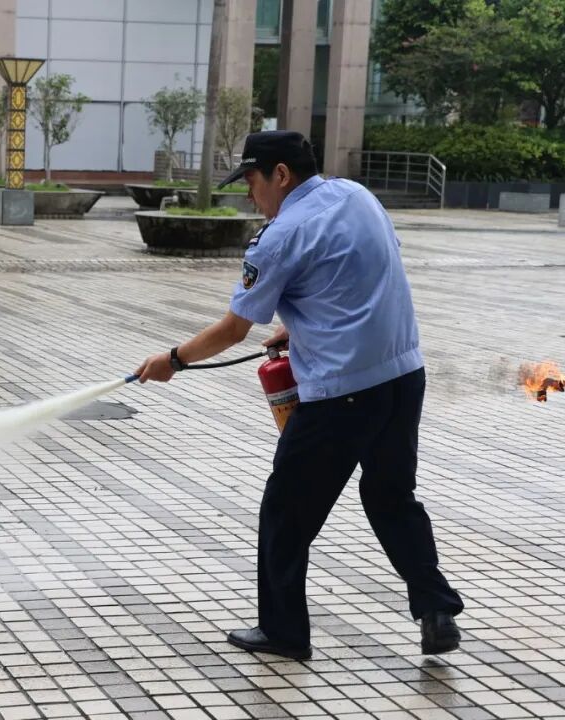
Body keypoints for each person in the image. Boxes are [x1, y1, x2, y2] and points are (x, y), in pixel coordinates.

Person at [134, 131, 464, 661]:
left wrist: (172, 360)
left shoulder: (280, 235)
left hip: (342, 395)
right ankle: (436, 609)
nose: (249, 194)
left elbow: (234, 329)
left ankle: (284, 632)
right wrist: (303, 324)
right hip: (404, 376)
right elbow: (365, 273)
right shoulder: (357, 196)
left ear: (281, 175)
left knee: (285, 513)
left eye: (252, 181)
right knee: (391, 497)